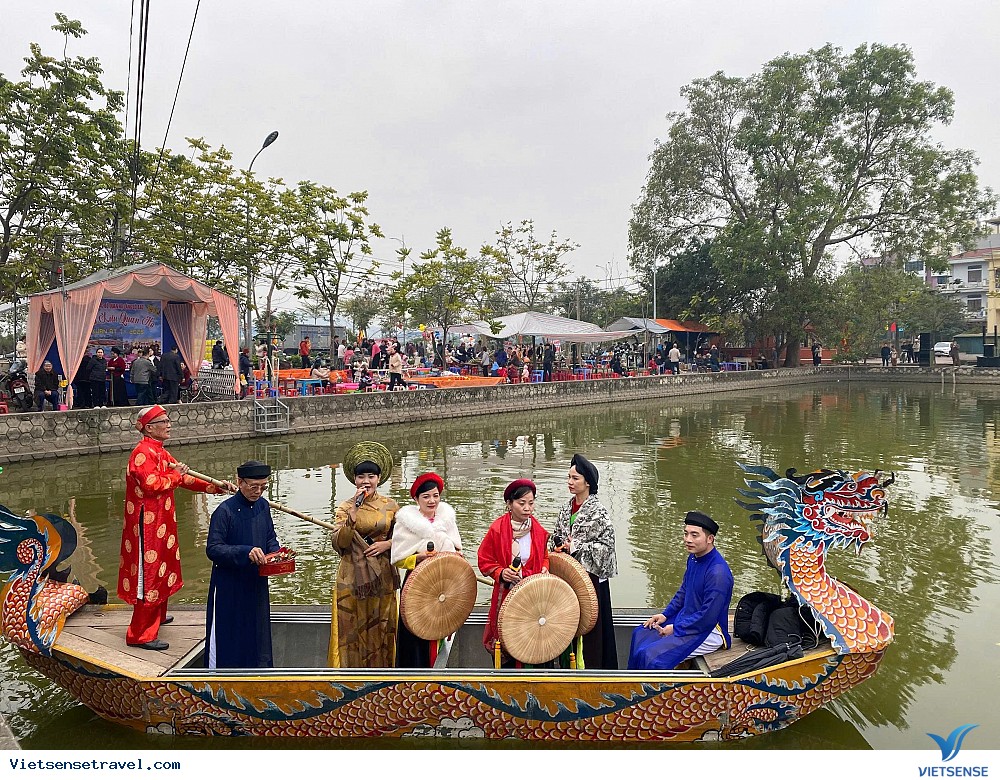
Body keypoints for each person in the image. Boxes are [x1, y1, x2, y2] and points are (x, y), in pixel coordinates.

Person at [117, 405, 232, 651]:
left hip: (161, 521)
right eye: (164, 421)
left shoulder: (159, 452)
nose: (169, 425)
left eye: (168, 420)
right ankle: (140, 634)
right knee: (147, 576)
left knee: (162, 568)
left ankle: (156, 617)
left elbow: (186, 478)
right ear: (149, 427)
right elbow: (150, 484)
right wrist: (177, 476)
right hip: (146, 525)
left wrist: (216, 487)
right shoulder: (142, 454)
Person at [206, 460, 290, 669]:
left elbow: (270, 537)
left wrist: (276, 554)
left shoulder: (262, 505)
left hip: (256, 581)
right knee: (231, 632)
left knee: (257, 630)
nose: (258, 492)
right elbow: (213, 549)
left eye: (263, 487)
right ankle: (224, 676)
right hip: (229, 584)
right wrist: (246, 552)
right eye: (254, 487)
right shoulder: (224, 511)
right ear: (239, 482)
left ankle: (257, 672)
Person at [627, 511, 733, 671]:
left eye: (695, 535)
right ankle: (630, 685)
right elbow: (684, 591)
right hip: (688, 619)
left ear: (710, 539)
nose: (688, 539)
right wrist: (665, 615)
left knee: (650, 655)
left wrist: (676, 628)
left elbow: (708, 617)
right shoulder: (694, 558)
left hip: (709, 630)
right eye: (686, 533)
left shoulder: (718, 573)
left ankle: (649, 694)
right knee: (641, 633)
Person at [328, 441, 400, 667]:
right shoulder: (344, 507)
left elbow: (404, 539)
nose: (366, 481)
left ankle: (384, 676)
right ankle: (351, 677)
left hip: (383, 574)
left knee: (383, 624)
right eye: (361, 477)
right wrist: (352, 515)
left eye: (371, 476)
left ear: (379, 479)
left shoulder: (391, 506)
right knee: (352, 627)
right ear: (354, 479)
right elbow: (339, 543)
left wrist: (386, 545)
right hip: (352, 576)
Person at [552, 454, 618, 669]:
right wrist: (558, 545)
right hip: (568, 577)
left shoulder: (598, 513)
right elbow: (556, 536)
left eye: (575, 478)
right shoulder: (565, 508)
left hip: (590, 581)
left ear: (587, 482)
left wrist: (576, 547)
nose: (570, 482)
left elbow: (607, 551)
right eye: (569, 478)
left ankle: (592, 671)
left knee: (591, 633)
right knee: (566, 624)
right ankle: (566, 667)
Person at [391, 472, 462, 667]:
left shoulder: (447, 521)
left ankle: (442, 671)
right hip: (417, 585)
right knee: (415, 633)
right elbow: (398, 559)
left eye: (436, 495)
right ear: (416, 499)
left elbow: (458, 550)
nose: (432, 501)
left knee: (443, 626)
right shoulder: (405, 525)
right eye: (426, 497)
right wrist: (418, 558)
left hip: (445, 584)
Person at [477, 479, 550, 665]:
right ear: (509, 504)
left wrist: (544, 568)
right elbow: (484, 560)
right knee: (506, 637)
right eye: (521, 503)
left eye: (531, 503)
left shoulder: (537, 530)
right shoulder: (497, 529)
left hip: (532, 593)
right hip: (507, 593)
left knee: (533, 634)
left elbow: (544, 556)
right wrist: (500, 572)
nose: (527, 508)